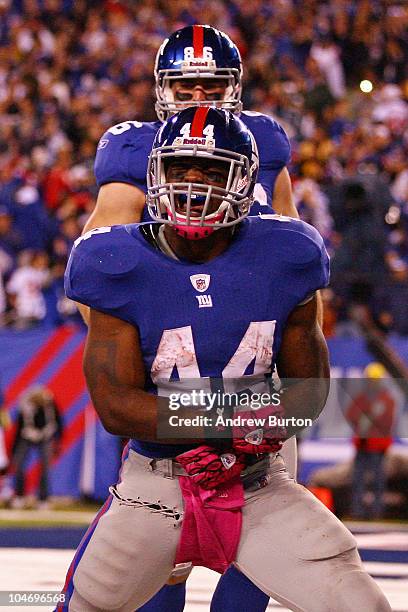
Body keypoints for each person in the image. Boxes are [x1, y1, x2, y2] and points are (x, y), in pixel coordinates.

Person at [60, 108, 390, 612]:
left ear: (245, 181)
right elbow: (117, 407)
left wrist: (245, 421)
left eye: (213, 171)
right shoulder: (115, 260)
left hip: (257, 482)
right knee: (86, 605)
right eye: (181, 169)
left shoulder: (288, 253)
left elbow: (307, 394)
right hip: (157, 485)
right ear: (155, 175)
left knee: (360, 605)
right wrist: (233, 417)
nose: (194, 185)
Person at [82, 25, 301, 612]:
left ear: (234, 86)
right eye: (186, 82)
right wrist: (152, 343)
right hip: (174, 369)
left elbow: (295, 248)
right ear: (161, 88)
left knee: (264, 539)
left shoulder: (263, 142)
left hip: (256, 372)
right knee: (163, 549)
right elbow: (97, 275)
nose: (199, 94)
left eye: (212, 81)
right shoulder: (136, 151)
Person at [347, 362, 395, 519]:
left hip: (377, 446)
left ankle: (377, 511)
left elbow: (388, 422)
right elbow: (351, 415)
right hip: (362, 444)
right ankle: (357, 510)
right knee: (358, 479)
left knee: (377, 480)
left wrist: (372, 418)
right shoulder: (363, 398)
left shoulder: (386, 399)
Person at [11, 385, 62, 509]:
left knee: (46, 467)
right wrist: (16, 448)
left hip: (46, 435)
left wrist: (55, 440)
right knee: (19, 464)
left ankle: (43, 499)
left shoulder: (50, 403)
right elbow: (20, 428)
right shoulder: (25, 404)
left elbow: (57, 423)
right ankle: (19, 496)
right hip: (27, 435)